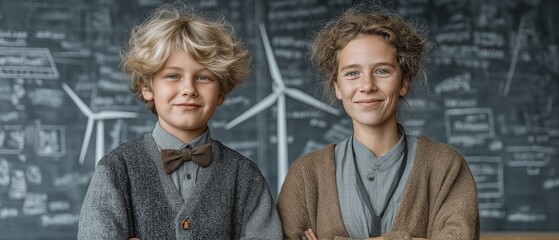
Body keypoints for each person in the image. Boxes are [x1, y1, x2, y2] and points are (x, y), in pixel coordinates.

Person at [78, 3, 282, 239]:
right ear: (147, 87)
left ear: (221, 92)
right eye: (173, 76)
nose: (188, 89)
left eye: (203, 77)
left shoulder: (246, 177)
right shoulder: (116, 171)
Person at [276, 5, 479, 240]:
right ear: (337, 87)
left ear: (403, 82)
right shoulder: (306, 176)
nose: (367, 85)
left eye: (382, 71)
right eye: (352, 73)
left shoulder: (446, 167)